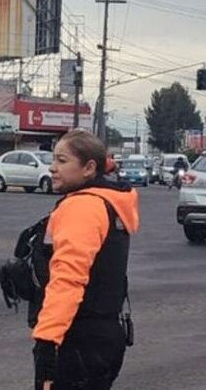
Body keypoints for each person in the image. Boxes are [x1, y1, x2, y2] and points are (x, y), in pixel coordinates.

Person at [31, 129, 139, 389]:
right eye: (53, 159)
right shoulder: (110, 201)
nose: (53, 168)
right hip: (104, 335)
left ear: (89, 168)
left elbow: (68, 279)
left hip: (77, 338)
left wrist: (47, 340)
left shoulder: (83, 207)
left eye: (62, 160)